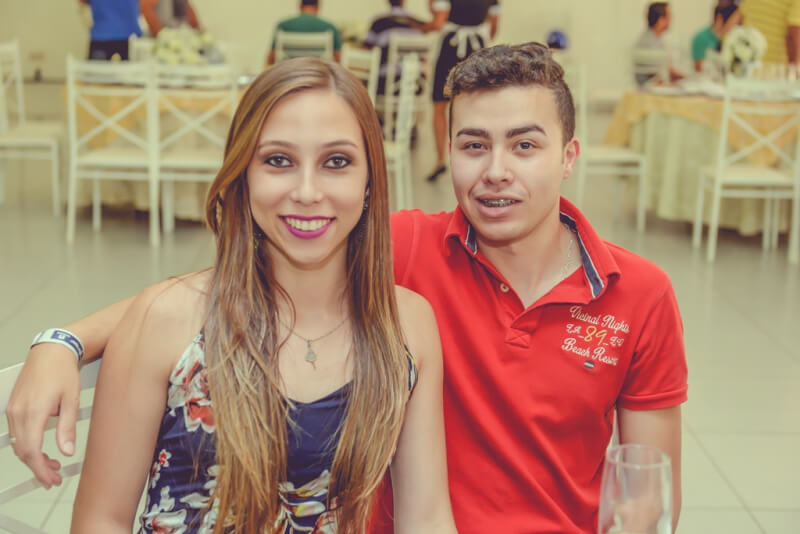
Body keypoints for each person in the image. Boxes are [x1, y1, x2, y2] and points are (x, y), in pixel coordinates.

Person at [7, 42, 687, 534]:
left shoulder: (640, 294)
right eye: (473, 145)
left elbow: (651, 488)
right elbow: (208, 292)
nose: (496, 172)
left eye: (526, 146)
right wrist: (62, 340)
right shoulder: (403, 243)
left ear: (569, 155)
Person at [66, 57, 456, 532]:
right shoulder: (167, 320)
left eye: (336, 162)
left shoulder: (406, 327)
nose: (307, 192)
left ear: (370, 180)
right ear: (243, 175)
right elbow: (101, 520)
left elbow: (426, 517)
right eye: (278, 161)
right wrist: (59, 342)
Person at [422, 0, 500, 183]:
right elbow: (494, 26)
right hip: (476, 48)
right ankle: (477, 157)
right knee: (477, 106)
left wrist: (423, 27)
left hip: (450, 48)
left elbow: (439, 22)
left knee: (440, 104)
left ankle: (440, 160)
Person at [363, 0, 426, 96]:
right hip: (417, 85)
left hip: (386, 83)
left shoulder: (379, 23)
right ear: (404, 1)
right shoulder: (418, 24)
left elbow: (366, 48)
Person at [267, 0, 343, 66]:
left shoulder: (283, 25)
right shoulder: (329, 27)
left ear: (300, 6)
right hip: (318, 74)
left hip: (289, 74)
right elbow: (338, 58)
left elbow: (271, 58)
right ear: (318, 7)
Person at [634, 2, 685, 84]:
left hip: (658, 85)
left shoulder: (658, 39)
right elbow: (652, 77)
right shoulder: (647, 43)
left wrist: (687, 78)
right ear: (661, 20)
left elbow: (670, 72)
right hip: (648, 88)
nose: (671, 20)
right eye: (669, 16)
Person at [739, 0, 800, 65]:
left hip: (746, 62)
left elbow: (739, 17)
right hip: (774, 65)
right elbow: (794, 33)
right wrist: (795, 65)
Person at [691, 3, 742, 72]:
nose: (736, 28)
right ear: (719, 18)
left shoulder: (734, 39)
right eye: (735, 23)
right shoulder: (701, 38)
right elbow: (699, 69)